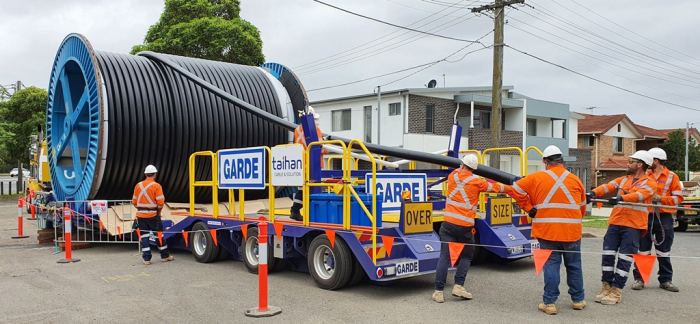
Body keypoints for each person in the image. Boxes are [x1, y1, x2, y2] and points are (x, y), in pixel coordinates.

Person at [511, 145, 587, 315]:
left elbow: (514, 189)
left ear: (545, 161)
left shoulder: (536, 178)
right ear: (561, 161)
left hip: (548, 231)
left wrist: (529, 207)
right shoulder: (575, 180)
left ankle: (550, 303)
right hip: (572, 232)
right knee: (574, 265)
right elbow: (582, 208)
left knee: (551, 266)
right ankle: (578, 300)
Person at [432, 153, 512, 303]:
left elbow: (458, 170)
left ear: (462, 165)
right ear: (474, 169)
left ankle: (438, 292)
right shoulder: (477, 182)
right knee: (467, 255)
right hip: (465, 226)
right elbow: (496, 188)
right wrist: (512, 187)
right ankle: (458, 286)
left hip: (448, 224)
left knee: (444, 257)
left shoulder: (452, 177)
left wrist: (462, 166)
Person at [587, 150, 657, 305]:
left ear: (640, 164)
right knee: (607, 255)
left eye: (631, 161)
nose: (628, 163)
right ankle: (606, 287)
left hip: (633, 226)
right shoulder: (624, 179)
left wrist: (620, 198)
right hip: (616, 223)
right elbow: (607, 186)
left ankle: (616, 291)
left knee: (625, 259)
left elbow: (638, 196)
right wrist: (591, 192)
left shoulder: (650, 183)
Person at [631, 147, 682, 292]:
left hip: (664, 217)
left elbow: (678, 198)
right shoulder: (645, 176)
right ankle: (640, 279)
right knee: (643, 250)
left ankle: (665, 280)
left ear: (656, 161)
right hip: (646, 215)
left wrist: (662, 199)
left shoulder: (672, 177)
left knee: (664, 250)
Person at [290, 107, 328, 221]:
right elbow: (319, 148)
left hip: (301, 163)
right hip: (313, 164)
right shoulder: (316, 129)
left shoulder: (297, 130)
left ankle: (296, 210)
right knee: (311, 189)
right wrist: (327, 147)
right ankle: (297, 210)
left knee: (302, 189)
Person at [132, 165, 174, 265]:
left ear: (145, 174)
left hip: (140, 215)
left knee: (144, 236)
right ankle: (165, 256)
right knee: (158, 235)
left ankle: (146, 259)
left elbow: (134, 202)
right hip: (153, 215)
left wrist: (142, 208)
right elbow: (160, 202)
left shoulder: (138, 185)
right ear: (154, 175)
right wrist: (158, 211)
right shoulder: (156, 186)